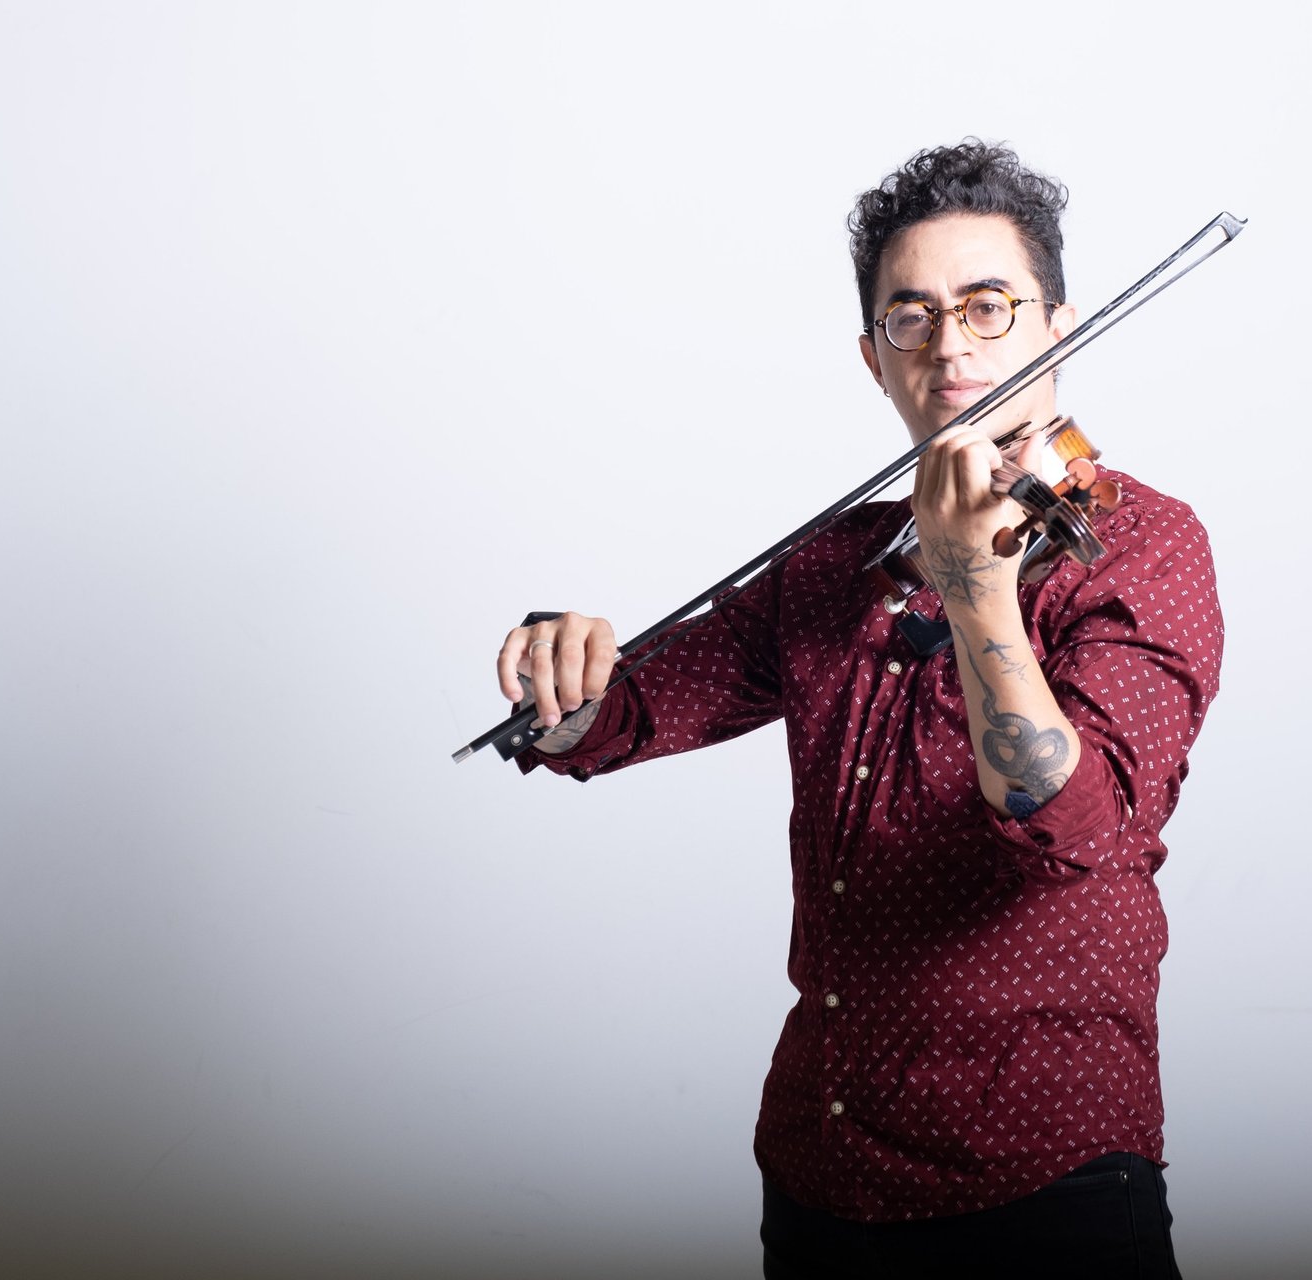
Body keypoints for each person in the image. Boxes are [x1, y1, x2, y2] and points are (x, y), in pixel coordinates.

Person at [493, 140, 1222, 1279]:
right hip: (821, 1171)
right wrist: (561, 678)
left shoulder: (1139, 544)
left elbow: (1075, 821)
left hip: (1043, 1173)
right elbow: (634, 710)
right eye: (911, 317)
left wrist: (975, 586)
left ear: (1059, 326)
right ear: (876, 358)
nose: (952, 344)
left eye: (989, 305)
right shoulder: (837, 564)